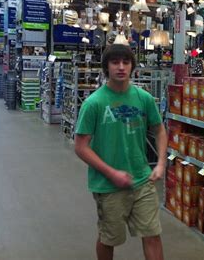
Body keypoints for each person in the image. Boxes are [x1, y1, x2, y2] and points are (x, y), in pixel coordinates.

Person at [74, 44, 167, 260]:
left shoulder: (143, 98)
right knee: (109, 239)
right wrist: (111, 173)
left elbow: (159, 129)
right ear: (106, 67)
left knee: (152, 234)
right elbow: (80, 147)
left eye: (126, 62)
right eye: (115, 62)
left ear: (132, 66)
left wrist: (161, 163)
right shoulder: (93, 103)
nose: (121, 67)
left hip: (142, 179)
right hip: (108, 186)